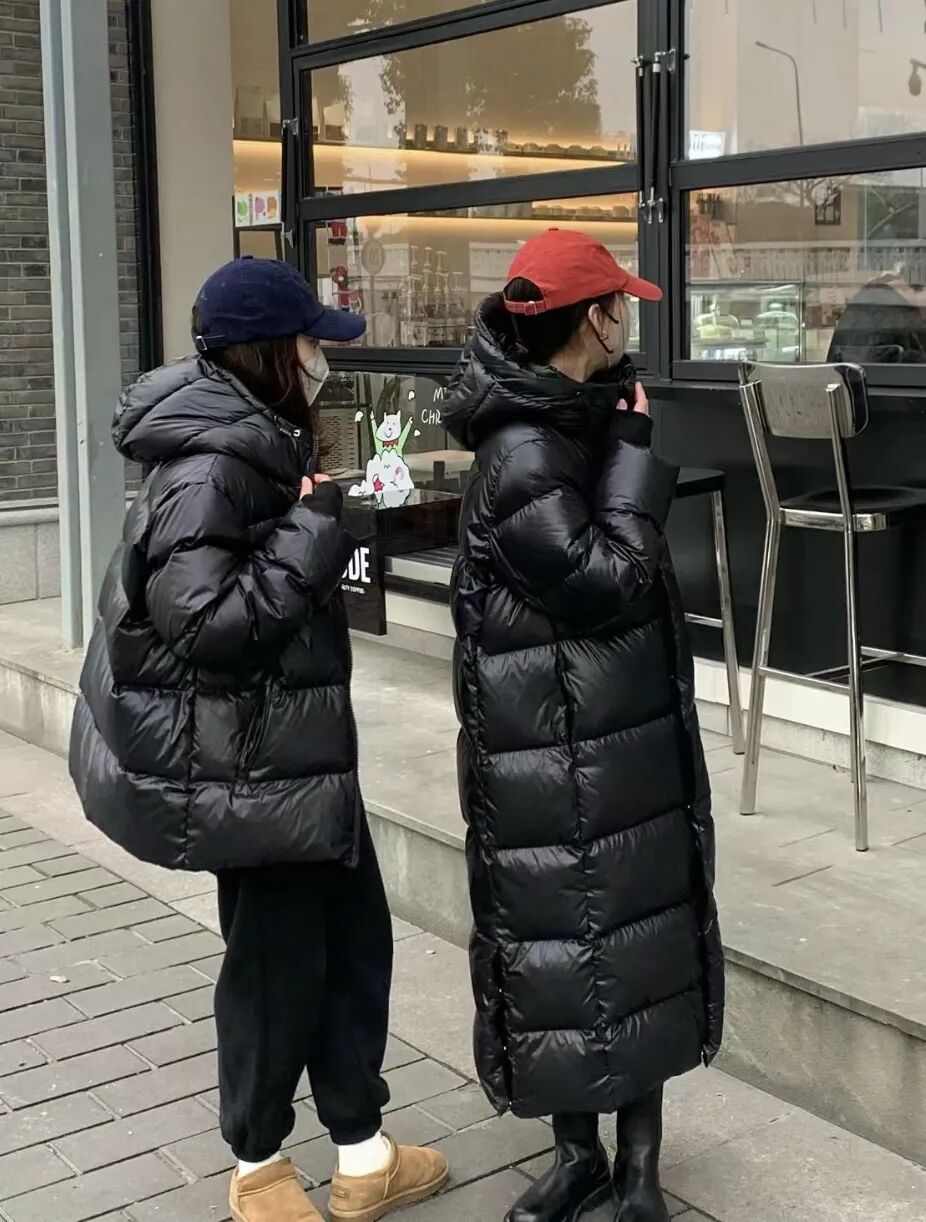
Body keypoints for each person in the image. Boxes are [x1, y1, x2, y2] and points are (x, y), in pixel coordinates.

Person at [69, 257, 448, 1222]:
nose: (324, 358)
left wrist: (305, 521)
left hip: (298, 755)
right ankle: (259, 1168)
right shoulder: (213, 464)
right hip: (253, 769)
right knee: (277, 969)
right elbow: (203, 622)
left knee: (352, 948)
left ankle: (363, 1152)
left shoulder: (254, 439)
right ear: (274, 353)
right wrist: (313, 531)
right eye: (314, 340)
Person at [444, 230, 724, 1222]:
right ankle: (579, 1157)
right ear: (588, 320)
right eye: (617, 305)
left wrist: (624, 445)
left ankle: (637, 1165)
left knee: (637, 947)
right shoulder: (522, 450)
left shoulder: (583, 407)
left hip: (617, 733)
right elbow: (604, 580)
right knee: (562, 953)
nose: (626, 319)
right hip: (549, 752)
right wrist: (638, 463)